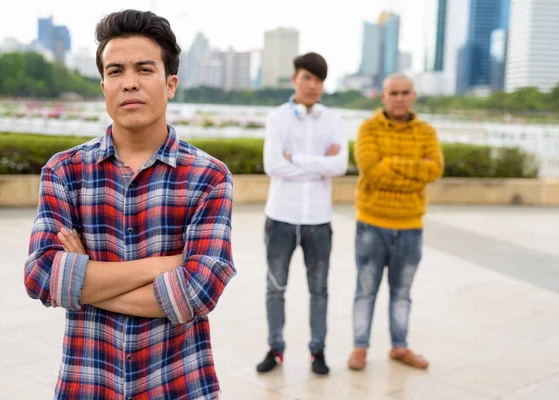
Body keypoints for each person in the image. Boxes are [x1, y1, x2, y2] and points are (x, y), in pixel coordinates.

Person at [23, 10, 236, 399]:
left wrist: (82, 280)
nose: (130, 83)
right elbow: (40, 276)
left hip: (178, 383)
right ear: (103, 84)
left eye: (144, 69)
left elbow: (200, 291)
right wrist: (162, 266)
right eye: (116, 71)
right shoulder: (65, 171)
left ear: (170, 84)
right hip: (88, 381)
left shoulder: (208, 177)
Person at [256, 52, 348, 375]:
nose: (312, 85)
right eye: (307, 78)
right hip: (281, 216)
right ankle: (275, 348)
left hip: (319, 220)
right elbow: (273, 165)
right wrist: (319, 163)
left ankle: (317, 351)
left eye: (318, 79)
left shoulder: (333, 120)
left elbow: (340, 165)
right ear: (295, 78)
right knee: (275, 288)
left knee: (319, 289)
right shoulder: (278, 117)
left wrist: (296, 160)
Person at [347, 73, 444, 371]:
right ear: (384, 96)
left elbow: (435, 169)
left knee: (402, 293)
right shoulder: (368, 128)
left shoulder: (426, 131)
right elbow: (371, 169)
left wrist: (391, 164)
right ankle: (360, 347)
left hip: (410, 226)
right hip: (371, 224)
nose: (400, 98)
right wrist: (413, 172)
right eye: (394, 93)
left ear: (413, 95)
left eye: (405, 92)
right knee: (366, 290)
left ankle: (399, 347)